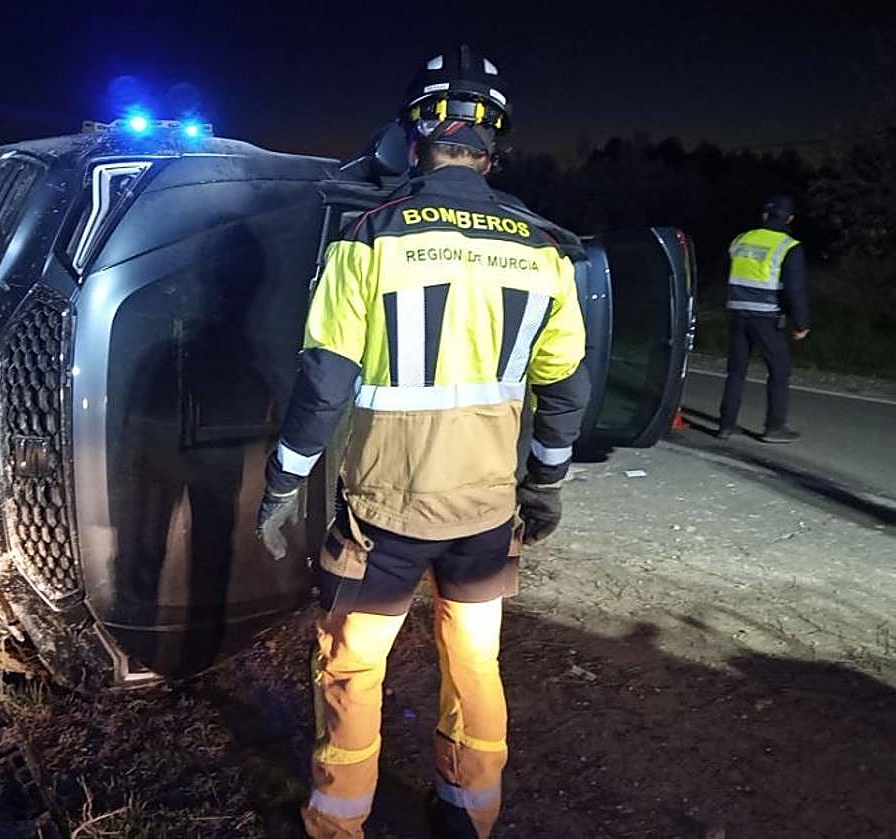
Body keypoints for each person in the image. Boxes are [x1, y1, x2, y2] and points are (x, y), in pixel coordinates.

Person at [255, 45, 590, 839]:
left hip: (384, 516)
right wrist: (542, 484)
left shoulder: (370, 236)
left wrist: (281, 482)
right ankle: (467, 814)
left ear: (413, 139)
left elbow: (325, 381)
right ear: (490, 147)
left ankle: (337, 824)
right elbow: (566, 387)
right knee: (473, 662)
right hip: (482, 511)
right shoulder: (545, 247)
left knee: (353, 665)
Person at [717, 194, 811, 442]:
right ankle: (774, 427)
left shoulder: (741, 239)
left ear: (764, 215)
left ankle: (726, 425)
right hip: (765, 316)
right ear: (790, 218)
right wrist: (801, 323)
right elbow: (795, 289)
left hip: (737, 312)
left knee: (736, 371)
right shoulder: (789, 246)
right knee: (780, 370)